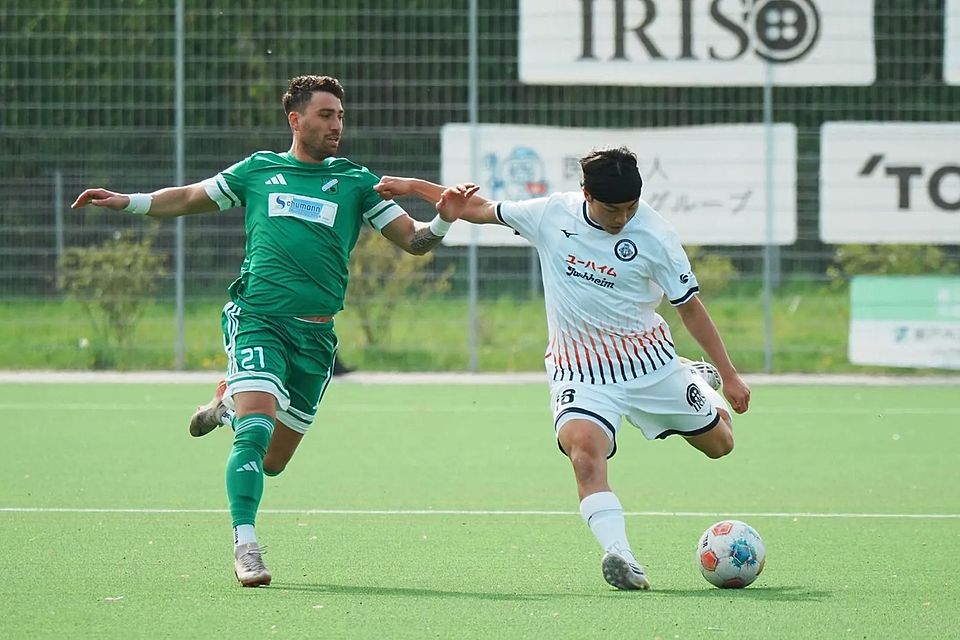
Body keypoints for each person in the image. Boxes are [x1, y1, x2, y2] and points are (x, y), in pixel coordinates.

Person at [71, 74, 479, 588]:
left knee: (273, 462)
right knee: (259, 424)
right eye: (326, 115)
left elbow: (414, 243)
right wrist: (126, 201)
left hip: (316, 339)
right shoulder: (259, 170)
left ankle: (227, 407)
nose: (337, 125)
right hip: (257, 319)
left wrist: (442, 221)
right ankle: (246, 546)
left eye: (340, 116)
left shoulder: (355, 181)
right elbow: (188, 197)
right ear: (296, 119)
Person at [374, 146, 751, 591]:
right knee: (584, 456)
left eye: (630, 207)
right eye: (612, 208)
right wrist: (420, 189)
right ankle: (622, 556)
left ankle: (697, 381)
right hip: (580, 370)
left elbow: (689, 307)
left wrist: (728, 375)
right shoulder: (553, 213)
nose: (622, 218)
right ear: (586, 193)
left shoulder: (656, 236)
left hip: (651, 365)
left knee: (720, 445)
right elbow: (476, 207)